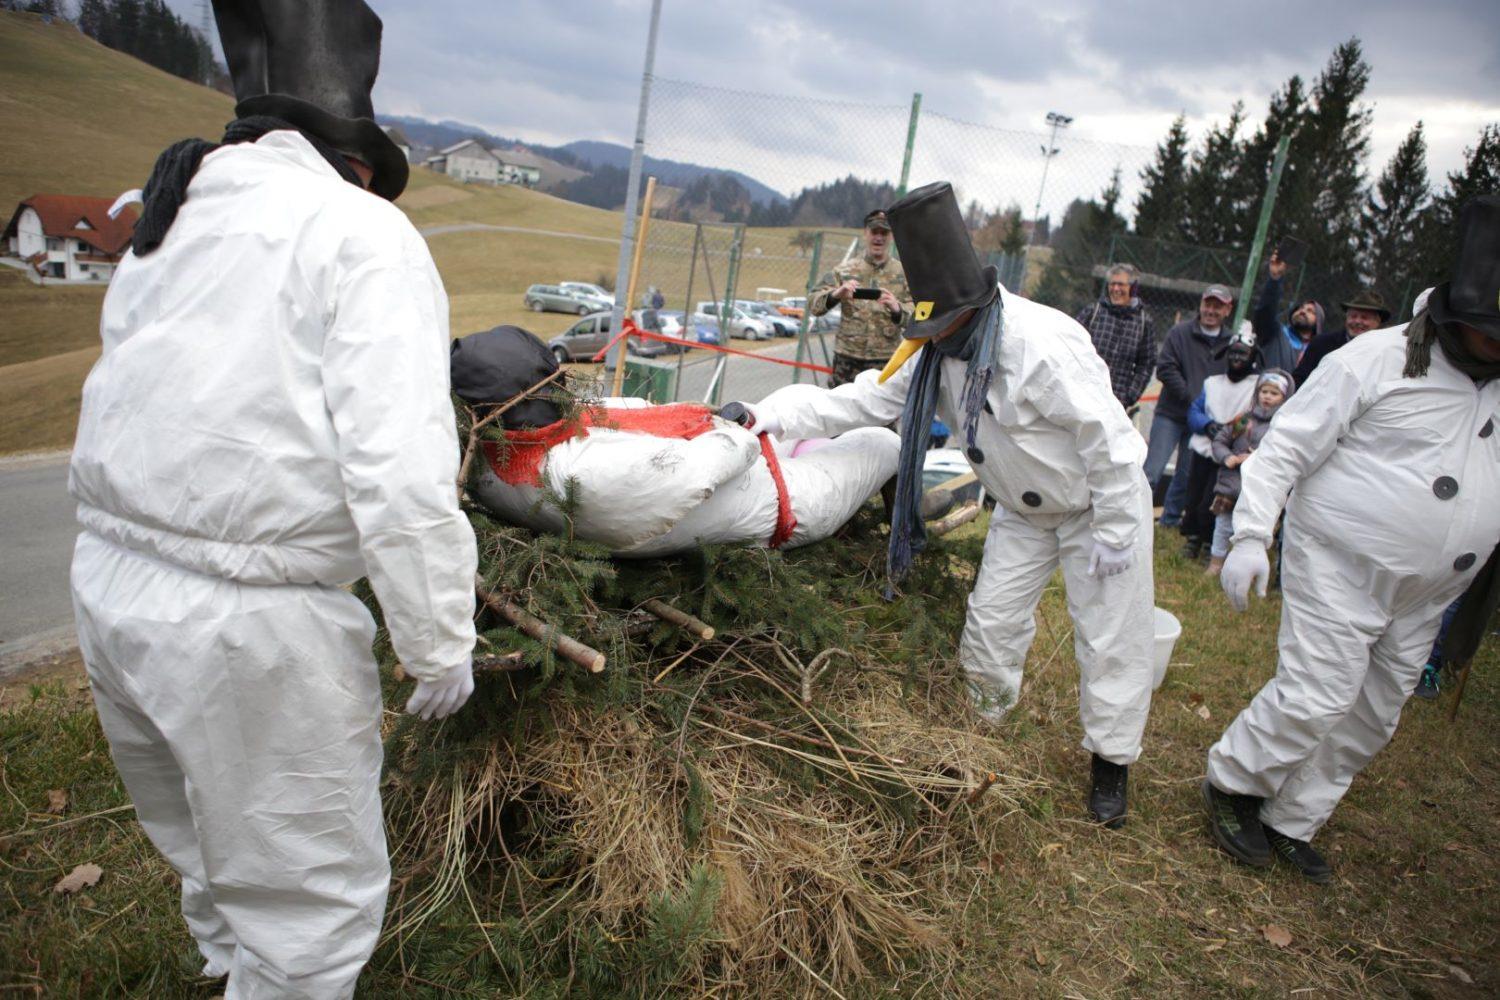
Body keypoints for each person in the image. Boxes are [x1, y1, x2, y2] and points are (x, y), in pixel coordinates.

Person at [65, 1, 479, 993]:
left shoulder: (172, 213)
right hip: (248, 629)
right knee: (306, 902)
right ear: (359, 163)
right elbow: (399, 468)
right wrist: (438, 640)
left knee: (206, 843)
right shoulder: (362, 233)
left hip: (109, 588)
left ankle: (226, 971)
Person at [724, 182, 1156, 829]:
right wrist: (770, 415)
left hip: (1095, 504)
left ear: (972, 307)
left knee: (1110, 635)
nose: (931, 337)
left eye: (939, 326)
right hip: (1021, 509)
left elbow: (1112, 442)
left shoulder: (1042, 347)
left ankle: (1111, 763)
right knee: (991, 622)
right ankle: (984, 726)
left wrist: (1119, 532)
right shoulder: (935, 349)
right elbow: (862, 398)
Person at [1203, 195, 1500, 884]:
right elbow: (1285, 446)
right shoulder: (1377, 358)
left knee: (1374, 712)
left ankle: (1293, 817)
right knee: (1318, 693)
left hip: (1428, 591)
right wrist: (1251, 534)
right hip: (1342, 563)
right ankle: (1234, 782)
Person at [1146, 285, 1234, 526]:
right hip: (1171, 414)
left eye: (1218, 306)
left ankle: (1169, 521)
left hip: (1202, 422)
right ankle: (1135, 516)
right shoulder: (1179, 333)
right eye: (1208, 304)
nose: (1211, 311)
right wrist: (1191, 397)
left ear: (1227, 310)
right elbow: (1165, 368)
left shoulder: (1230, 342)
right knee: (1152, 470)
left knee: (1185, 475)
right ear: (1201, 305)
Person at [1179, 324, 1260, 567]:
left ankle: (1209, 541)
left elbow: (1252, 416)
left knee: (1214, 501)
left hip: (1229, 455)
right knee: (1194, 496)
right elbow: (1195, 410)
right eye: (1233, 352)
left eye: (1243, 354)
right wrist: (1206, 425)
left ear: (1253, 357)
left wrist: (1229, 434)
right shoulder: (1212, 383)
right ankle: (1192, 537)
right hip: (1204, 448)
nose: (1237, 358)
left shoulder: (1256, 387)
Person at [808, 208, 915, 387]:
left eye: (884, 233)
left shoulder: (904, 274)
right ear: (866, 233)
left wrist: (898, 309)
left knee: (882, 406)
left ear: (891, 236)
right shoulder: (844, 270)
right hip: (847, 359)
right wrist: (836, 294)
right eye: (874, 232)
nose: (878, 238)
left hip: (885, 360)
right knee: (841, 404)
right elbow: (814, 304)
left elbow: (920, 316)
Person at [1206, 369, 1294, 572]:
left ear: (1284, 397)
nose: (1267, 397)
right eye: (1264, 391)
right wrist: (1227, 457)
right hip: (1231, 484)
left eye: (1274, 393)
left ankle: (1246, 568)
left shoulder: (1281, 426)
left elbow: (1284, 455)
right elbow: (1220, 441)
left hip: (1259, 489)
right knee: (1223, 526)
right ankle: (1216, 562)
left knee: (1252, 532)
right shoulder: (1244, 420)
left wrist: (1257, 458)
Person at [1075, 263, 1156, 410]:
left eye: (1121, 284)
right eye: (1112, 284)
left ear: (1133, 288)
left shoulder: (1144, 323)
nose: (1116, 289)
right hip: (1082, 395)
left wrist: (1130, 396)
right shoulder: (1092, 312)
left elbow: (1146, 364)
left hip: (1115, 404)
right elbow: (1071, 346)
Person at [1292, 288, 1392, 388]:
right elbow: (1299, 379)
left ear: (1377, 322)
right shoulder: (1321, 344)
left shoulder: (1384, 354)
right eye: (1353, 316)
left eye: (1364, 317)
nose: (1357, 321)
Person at [1251, 250, 1324, 372]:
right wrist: (1275, 279)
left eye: (1310, 311)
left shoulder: (1319, 354)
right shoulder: (1275, 334)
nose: (1303, 311)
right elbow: (1265, 310)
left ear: (1319, 323)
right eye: (1301, 308)